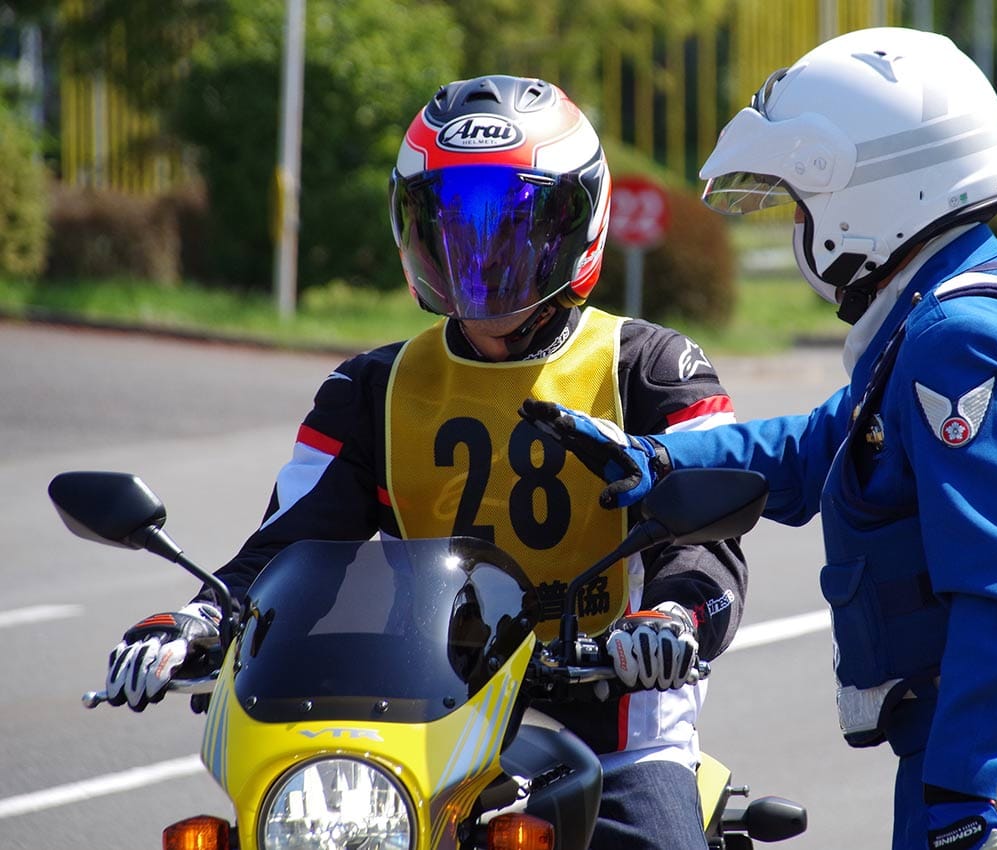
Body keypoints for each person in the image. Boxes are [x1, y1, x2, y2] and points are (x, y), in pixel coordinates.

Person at [521, 28, 997, 850]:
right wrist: (658, 457)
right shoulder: (963, 310)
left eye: (802, 202)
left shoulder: (960, 343)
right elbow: (819, 447)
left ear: (877, 191)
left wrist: (959, 805)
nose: (798, 226)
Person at [101, 74, 745, 850]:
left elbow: (707, 543)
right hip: (424, 713)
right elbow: (286, 546)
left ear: (578, 222)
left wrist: (670, 618)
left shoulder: (653, 368)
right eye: (454, 226)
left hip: (611, 714)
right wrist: (196, 618)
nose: (482, 254)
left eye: (512, 226)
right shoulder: (370, 387)